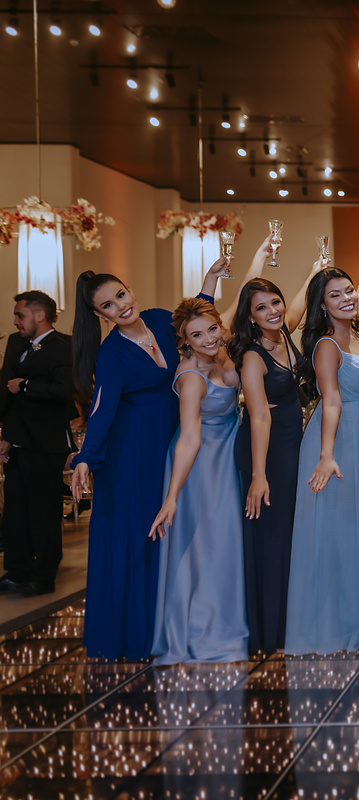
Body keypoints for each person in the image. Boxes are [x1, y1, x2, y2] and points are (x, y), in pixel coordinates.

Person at [69, 260, 227, 659]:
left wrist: (210, 280)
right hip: (132, 451)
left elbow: (196, 322)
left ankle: (175, 622)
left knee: (174, 529)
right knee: (142, 534)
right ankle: (139, 631)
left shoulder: (158, 319)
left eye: (120, 295)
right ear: (99, 315)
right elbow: (103, 408)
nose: (120, 306)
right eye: (107, 306)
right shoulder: (111, 352)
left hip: (169, 438)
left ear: (129, 289)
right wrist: (87, 457)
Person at [285, 253, 359, 656]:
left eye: (349, 291)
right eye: (334, 295)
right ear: (321, 305)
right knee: (337, 532)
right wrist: (326, 455)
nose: (346, 298)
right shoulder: (326, 344)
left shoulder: (358, 334)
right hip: (337, 442)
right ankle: (333, 622)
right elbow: (333, 401)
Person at [148, 299, 249, 664]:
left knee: (229, 541)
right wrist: (172, 496)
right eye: (196, 335)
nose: (208, 338)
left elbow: (246, 301)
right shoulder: (191, 378)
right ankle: (206, 630)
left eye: (211, 329)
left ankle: (228, 618)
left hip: (228, 455)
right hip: (199, 466)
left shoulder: (225, 353)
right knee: (209, 546)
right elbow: (189, 437)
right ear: (184, 341)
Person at [229, 274, 306, 657]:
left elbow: (301, 300)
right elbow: (258, 416)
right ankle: (270, 632)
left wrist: (314, 266)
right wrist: (258, 477)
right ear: (250, 317)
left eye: (275, 302)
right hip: (267, 448)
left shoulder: (286, 334)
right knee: (273, 537)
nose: (273, 311)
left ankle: (291, 621)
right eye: (261, 307)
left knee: (292, 533)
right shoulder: (252, 356)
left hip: (293, 441)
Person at [0, 291, 75, 597]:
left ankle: (43, 575)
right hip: (17, 439)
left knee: (44, 514)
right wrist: (5, 435)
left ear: (40, 315)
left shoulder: (65, 346)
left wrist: (26, 385)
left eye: (20, 315)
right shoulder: (15, 344)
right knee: (15, 512)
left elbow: (63, 391)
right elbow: (6, 390)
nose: (15, 321)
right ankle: (16, 572)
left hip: (46, 442)